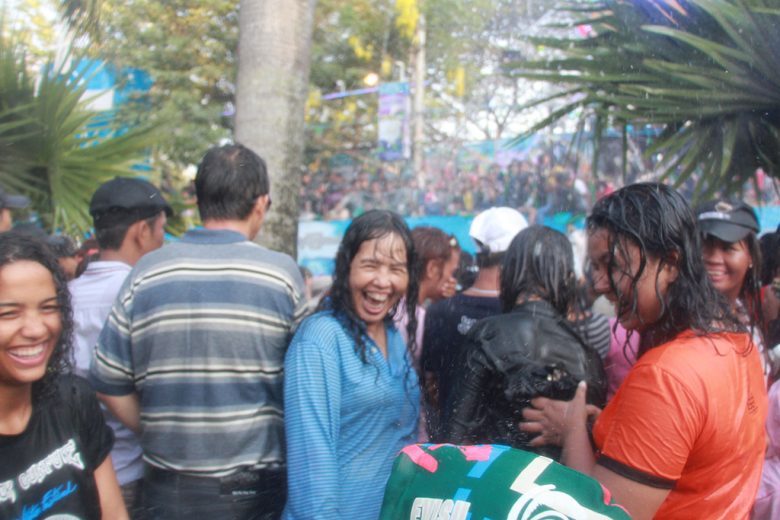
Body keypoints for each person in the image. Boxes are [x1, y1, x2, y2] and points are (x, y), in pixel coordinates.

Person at [522, 183, 767, 519]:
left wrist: (574, 427)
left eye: (613, 264)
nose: (600, 284)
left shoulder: (668, 375)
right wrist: (607, 426)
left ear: (671, 263)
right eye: (595, 266)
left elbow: (601, 515)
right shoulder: (740, 344)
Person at [89, 144, 306, 519]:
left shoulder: (147, 271)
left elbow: (107, 383)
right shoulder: (282, 275)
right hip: (253, 493)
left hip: (166, 490)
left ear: (199, 200)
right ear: (261, 203)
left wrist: (157, 427)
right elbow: (304, 383)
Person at [283, 210, 420, 520]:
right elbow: (311, 465)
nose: (382, 282)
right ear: (346, 268)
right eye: (370, 266)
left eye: (396, 269)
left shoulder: (393, 335)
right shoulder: (320, 339)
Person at [440, 225, 606, 461]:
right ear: (565, 278)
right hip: (556, 490)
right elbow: (594, 446)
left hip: (493, 485)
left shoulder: (486, 335)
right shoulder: (586, 354)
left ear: (509, 274)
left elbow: (452, 438)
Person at [0, 232, 128, 519]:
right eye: (8, 314)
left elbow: (115, 513)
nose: (36, 329)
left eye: (48, 308)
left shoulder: (72, 400)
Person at [70, 176, 172, 517]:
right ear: (142, 231)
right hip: (132, 474)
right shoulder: (144, 294)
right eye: (161, 230)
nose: (163, 239)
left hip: (75, 474)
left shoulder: (65, 297)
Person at [422, 206, 528, 440]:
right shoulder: (520, 316)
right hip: (508, 456)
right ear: (519, 254)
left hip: (452, 448)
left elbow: (431, 386)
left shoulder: (440, 311)